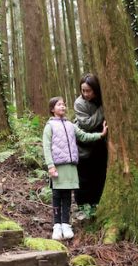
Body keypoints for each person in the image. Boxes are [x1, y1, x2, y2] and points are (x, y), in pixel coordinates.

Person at [43, 97, 108, 241]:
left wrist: (101, 134)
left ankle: (66, 224)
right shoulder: (49, 126)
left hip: (71, 167)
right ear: (52, 109)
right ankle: (56, 226)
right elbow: (46, 147)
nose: (62, 107)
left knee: (67, 196)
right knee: (57, 195)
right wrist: (50, 165)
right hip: (57, 166)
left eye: (63, 104)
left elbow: (83, 136)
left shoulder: (71, 125)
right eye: (59, 105)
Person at [74, 73, 108, 207]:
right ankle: (82, 206)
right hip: (84, 145)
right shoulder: (79, 103)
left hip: (100, 143)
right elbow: (87, 124)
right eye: (83, 90)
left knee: (99, 174)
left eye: (89, 90)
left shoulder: (101, 98)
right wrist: (103, 109)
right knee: (84, 177)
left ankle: (97, 203)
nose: (85, 94)